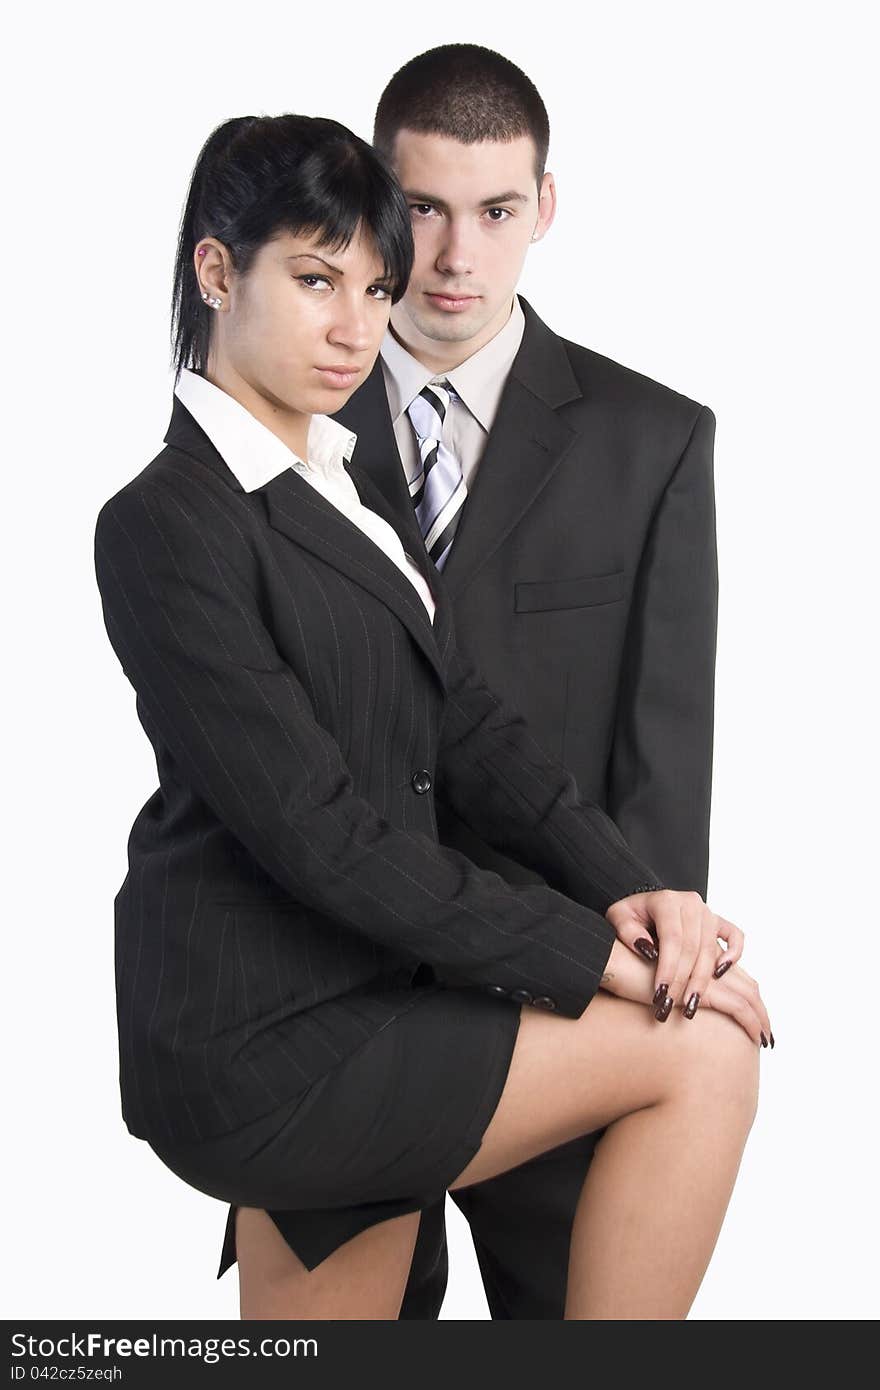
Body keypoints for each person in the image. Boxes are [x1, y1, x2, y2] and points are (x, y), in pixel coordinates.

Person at [95, 112, 768, 1322]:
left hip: (371, 989)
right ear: (215, 272)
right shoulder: (165, 520)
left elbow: (465, 722)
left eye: (372, 286)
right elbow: (320, 835)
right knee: (700, 1050)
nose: (358, 328)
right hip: (264, 1031)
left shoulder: (338, 484)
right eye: (314, 281)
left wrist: (630, 887)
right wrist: (596, 965)